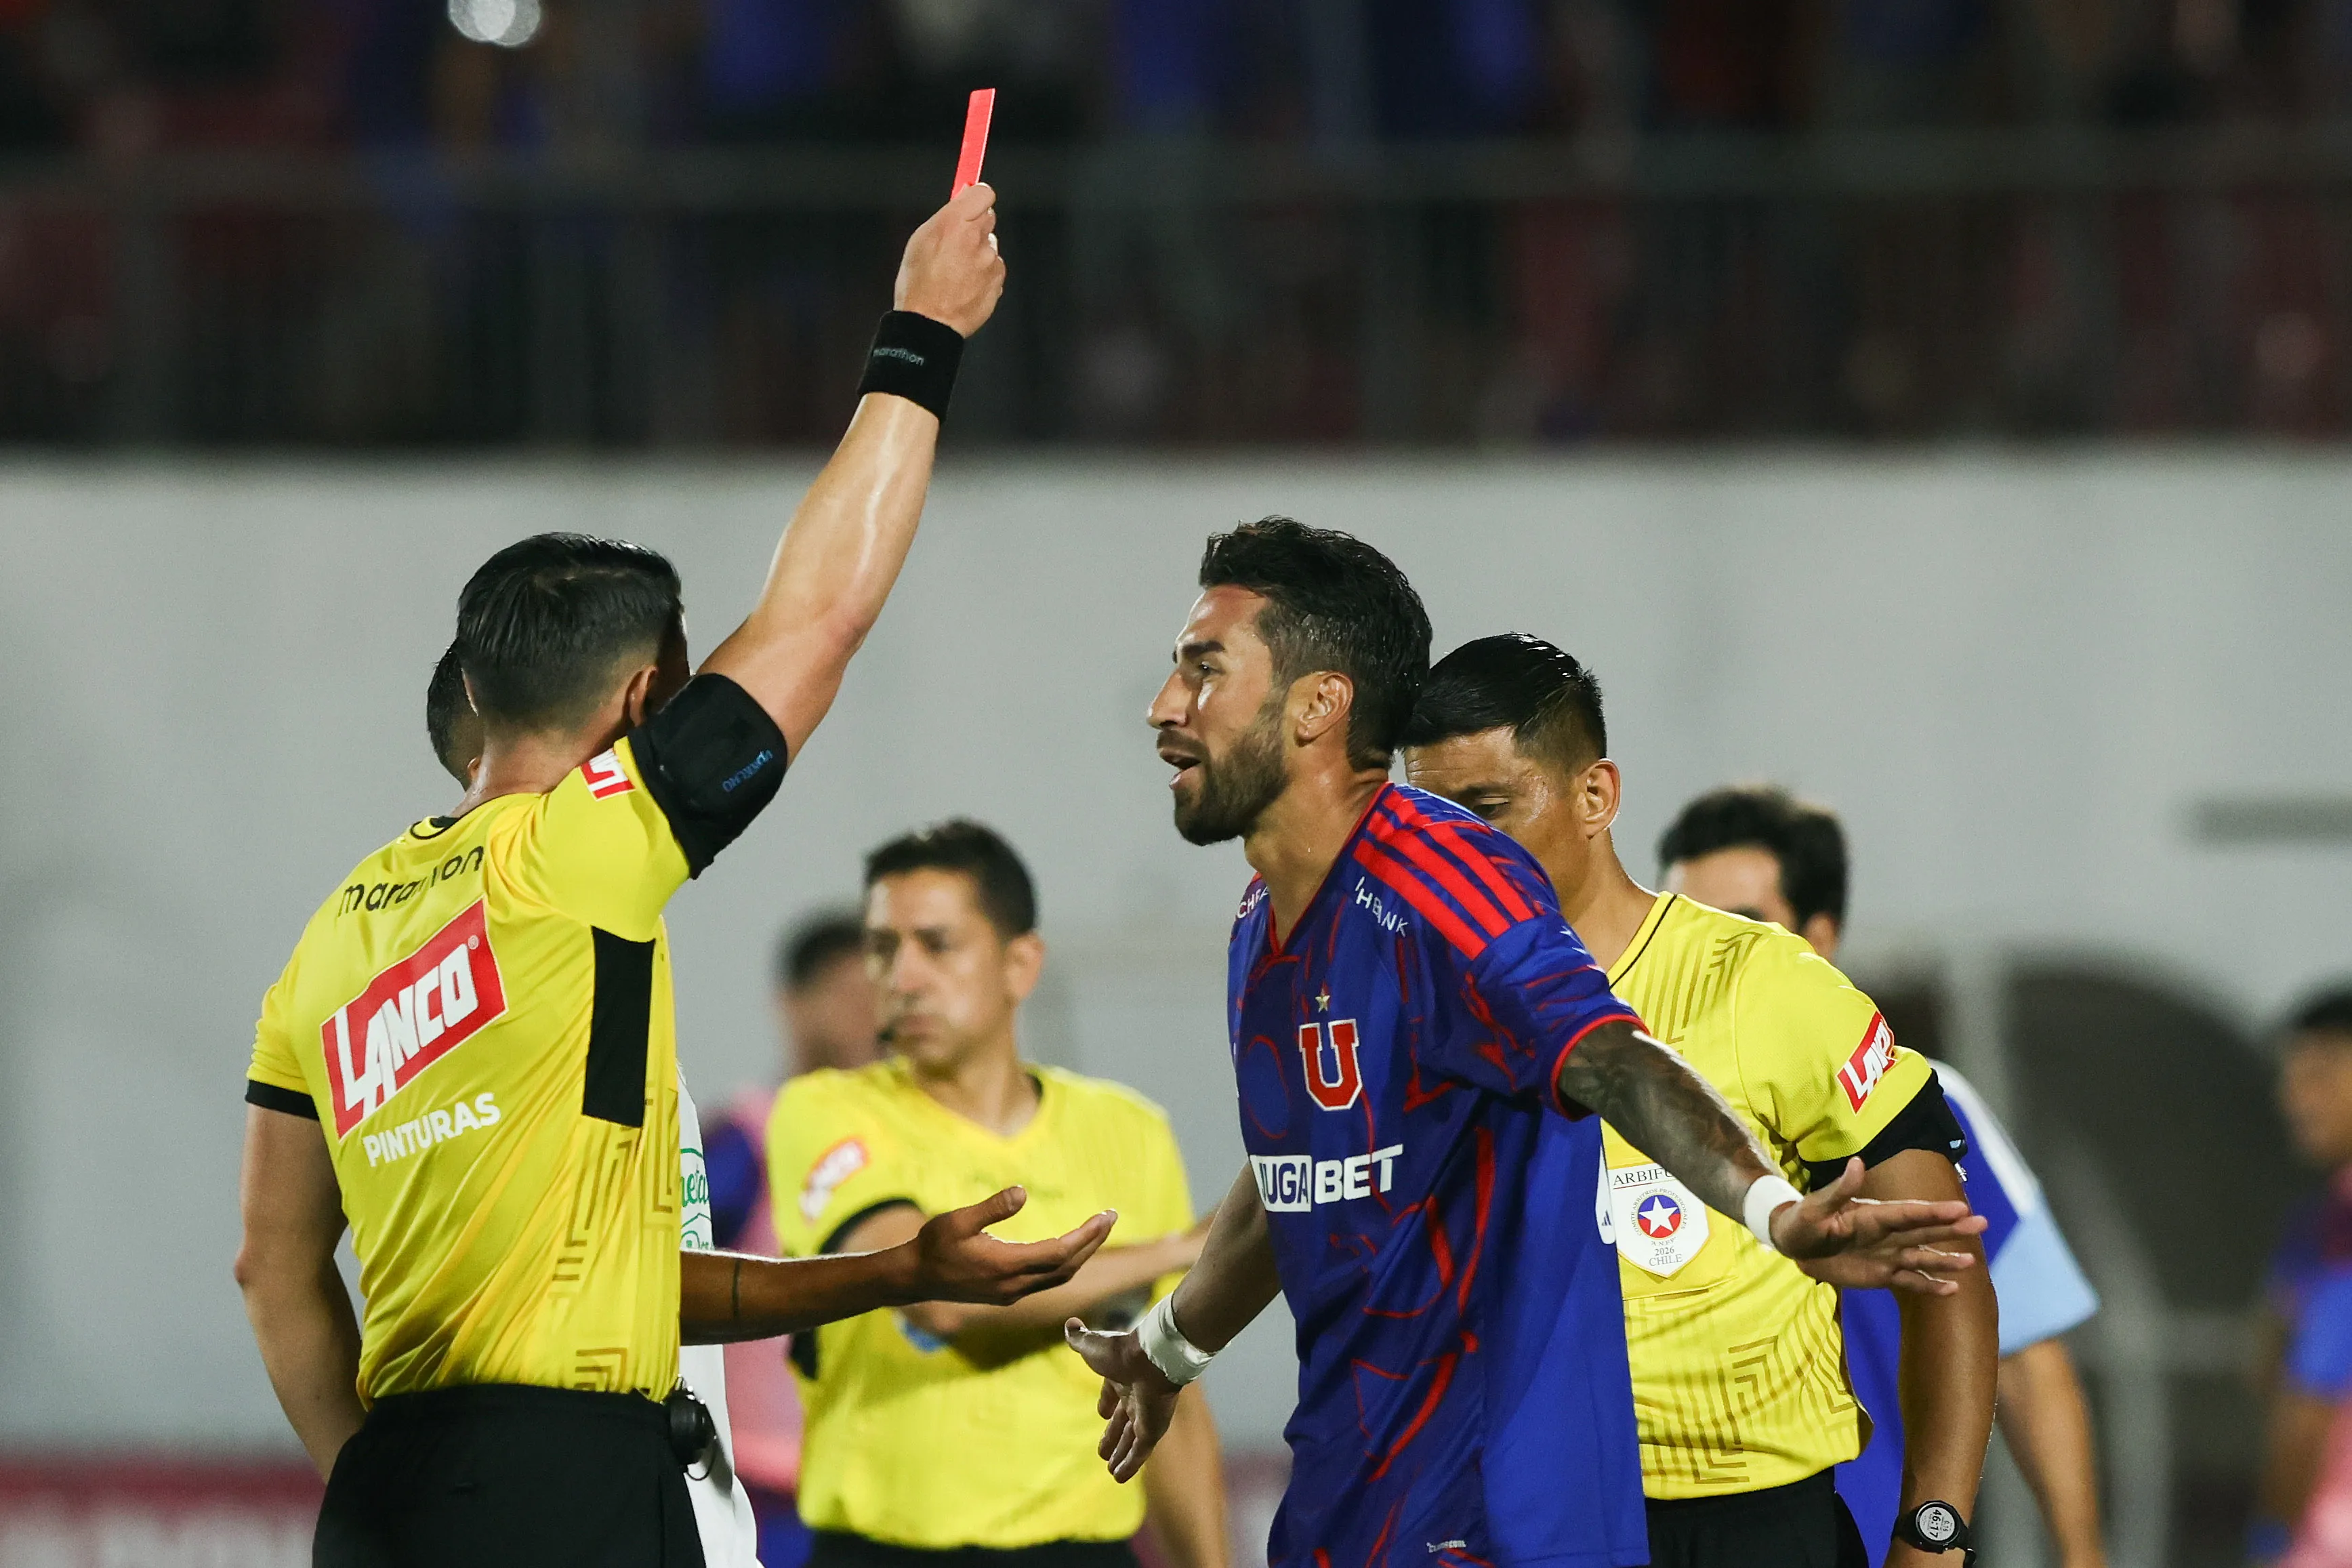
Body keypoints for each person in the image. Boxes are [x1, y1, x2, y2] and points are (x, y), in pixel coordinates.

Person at [234, 184, 1115, 1568]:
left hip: (391, 1499)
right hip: (570, 1483)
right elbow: (820, 616)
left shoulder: (327, 942)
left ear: (471, 688)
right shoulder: (581, 849)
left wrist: (395, 1485)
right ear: (647, 700)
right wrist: (921, 333)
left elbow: (274, 1270)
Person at [1067, 520, 1985, 1568]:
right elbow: (1305, 1173)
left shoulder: (1478, 897)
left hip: (1571, 1513)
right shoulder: (1269, 924)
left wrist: (1772, 1216)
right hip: (1361, 1502)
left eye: (1201, 668)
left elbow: (1608, 1055)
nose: (1162, 705)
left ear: (1319, 703)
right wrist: (1171, 1344)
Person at [1394, 635, 1998, 1568]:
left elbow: (1944, 1264)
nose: (1455, 852)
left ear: (1594, 795)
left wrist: (1932, 1534)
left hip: (1746, 1525)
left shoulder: (1761, 983)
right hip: (1508, 1516)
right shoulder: (1417, 1007)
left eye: (1486, 810)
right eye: (1427, 823)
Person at [1658, 784, 2105, 1568]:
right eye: (1687, 918)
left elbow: (2030, 1360)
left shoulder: (1915, 1103)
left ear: (1818, 936)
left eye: (1744, 923)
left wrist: (2073, 1556)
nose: (1708, 949)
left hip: (1875, 1536)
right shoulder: (1618, 1102)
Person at [773, 820, 1227, 1568]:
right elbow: (944, 1298)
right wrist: (1187, 1248)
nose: (903, 975)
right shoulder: (823, 1111)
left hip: (1082, 1552)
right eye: (883, 947)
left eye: (937, 944)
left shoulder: (1129, 1129)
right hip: (883, 1552)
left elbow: (1164, 1380)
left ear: (1021, 963)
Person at [426, 643, 767, 1567]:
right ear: (484, 760)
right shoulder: (483, 1008)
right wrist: (893, 1274)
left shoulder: (595, 974)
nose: (635, 775)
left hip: (693, 1522)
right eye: (609, 749)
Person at [707, 913, 884, 1568]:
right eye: (846, 994)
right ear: (792, 1006)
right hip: (765, 1492)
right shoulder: (744, 1141)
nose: (867, 1015)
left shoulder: (914, 1146)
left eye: (878, 995)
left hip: (883, 1488)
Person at [2253, 989, 2352, 1563]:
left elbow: (2306, 1405)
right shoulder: (2315, 1222)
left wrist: (2271, 1539)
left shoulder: (2340, 1229)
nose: (2293, 1100)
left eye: (2318, 1076)